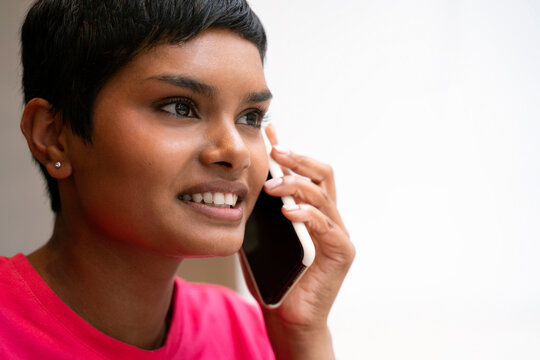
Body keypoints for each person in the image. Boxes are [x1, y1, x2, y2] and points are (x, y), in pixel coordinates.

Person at [0, 0, 355, 358]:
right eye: (180, 107)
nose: (236, 152)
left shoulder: (246, 334)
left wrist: (302, 340)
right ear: (54, 136)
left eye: (249, 117)